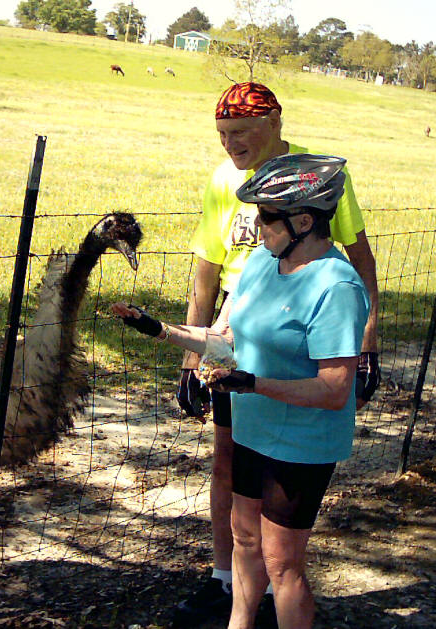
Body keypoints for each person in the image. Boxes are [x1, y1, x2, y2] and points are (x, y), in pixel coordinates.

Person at [111, 153, 370, 629]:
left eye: (267, 216)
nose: (256, 225)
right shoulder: (258, 263)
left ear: (304, 221)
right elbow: (224, 339)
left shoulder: (338, 287)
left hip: (301, 445)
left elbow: (334, 390)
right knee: (244, 541)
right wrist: (157, 329)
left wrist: (250, 383)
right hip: (254, 429)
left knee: (282, 564)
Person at [174, 82, 380, 626]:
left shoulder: (317, 184)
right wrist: (191, 353)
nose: (230, 145)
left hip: (295, 343)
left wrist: (368, 342)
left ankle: (274, 596)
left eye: (239, 132)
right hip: (243, 328)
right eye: (221, 135)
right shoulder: (226, 188)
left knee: (281, 542)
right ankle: (229, 585)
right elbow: (208, 271)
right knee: (233, 471)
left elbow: (357, 257)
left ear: (274, 122)